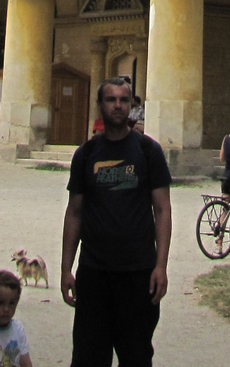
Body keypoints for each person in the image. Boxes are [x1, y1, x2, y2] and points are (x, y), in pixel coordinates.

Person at [61, 75, 172, 367]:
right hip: (94, 272)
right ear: (100, 105)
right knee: (88, 356)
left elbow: (162, 209)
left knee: (136, 355)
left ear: (131, 106)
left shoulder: (149, 151)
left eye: (124, 100)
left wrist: (161, 265)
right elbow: (74, 212)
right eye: (111, 100)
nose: (118, 106)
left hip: (138, 272)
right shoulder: (86, 155)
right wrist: (66, 269)